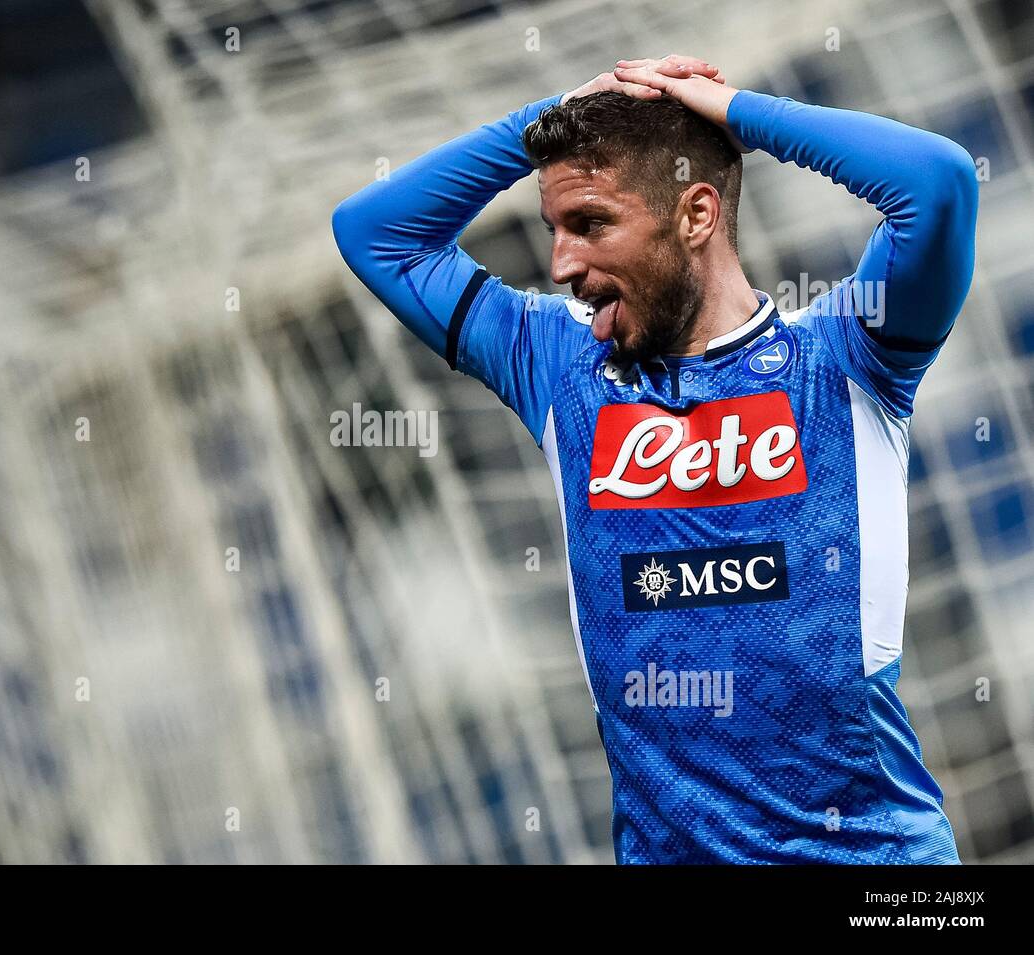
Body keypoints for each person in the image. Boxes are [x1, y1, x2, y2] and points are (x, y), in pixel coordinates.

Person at [332, 54, 978, 863]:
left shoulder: (848, 357)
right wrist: (557, 112)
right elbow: (372, 234)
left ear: (696, 214)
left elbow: (940, 183)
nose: (563, 265)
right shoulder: (559, 367)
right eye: (554, 230)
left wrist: (734, 110)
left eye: (591, 224)